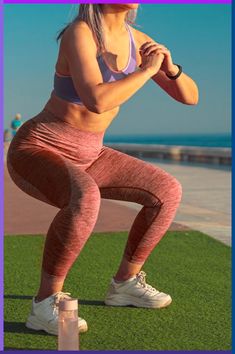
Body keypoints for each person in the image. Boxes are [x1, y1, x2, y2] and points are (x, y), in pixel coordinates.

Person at [6, 4, 199, 336]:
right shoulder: (79, 34)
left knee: (166, 191)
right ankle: (44, 304)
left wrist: (171, 68)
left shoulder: (137, 40)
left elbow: (191, 98)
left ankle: (125, 284)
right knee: (85, 198)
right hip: (39, 148)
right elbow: (97, 100)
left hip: (91, 152)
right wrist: (146, 71)